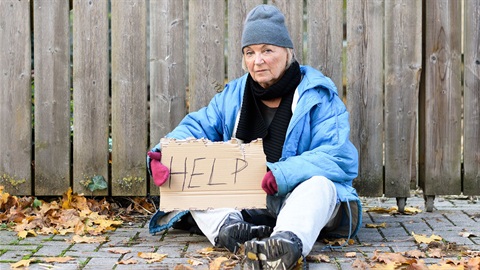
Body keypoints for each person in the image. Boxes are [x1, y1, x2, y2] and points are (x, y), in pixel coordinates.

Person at [147, 4, 361, 269]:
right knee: (194, 181)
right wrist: (165, 154)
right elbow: (196, 127)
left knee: (320, 185)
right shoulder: (233, 95)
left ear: (287, 52)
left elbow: (338, 156)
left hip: (298, 201)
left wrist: (281, 174)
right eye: (250, 52)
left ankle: (285, 243)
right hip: (246, 202)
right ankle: (233, 231)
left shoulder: (318, 96)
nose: (257, 61)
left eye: (267, 50)